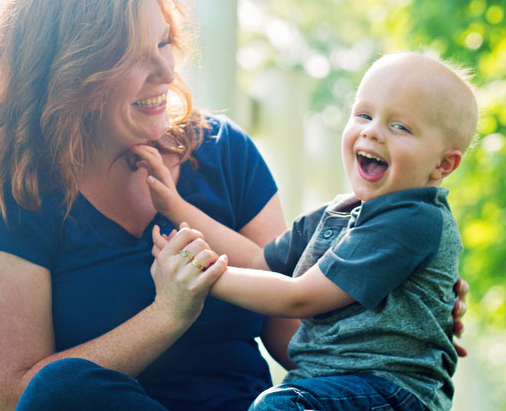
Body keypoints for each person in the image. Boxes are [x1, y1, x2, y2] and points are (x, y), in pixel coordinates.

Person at [0, 0, 468, 411]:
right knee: (60, 389)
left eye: (165, 43)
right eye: (135, 54)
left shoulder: (223, 152)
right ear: (70, 69)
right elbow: (18, 398)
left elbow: (294, 324)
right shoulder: (18, 192)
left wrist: (394, 308)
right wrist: (168, 313)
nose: (168, 73)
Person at [136, 52, 478, 411]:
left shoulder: (413, 219)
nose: (372, 131)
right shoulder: (340, 213)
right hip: (331, 386)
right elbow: (258, 260)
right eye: (364, 114)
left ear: (443, 164)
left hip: (391, 391)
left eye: (400, 127)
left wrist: (197, 274)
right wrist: (175, 207)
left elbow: (299, 297)